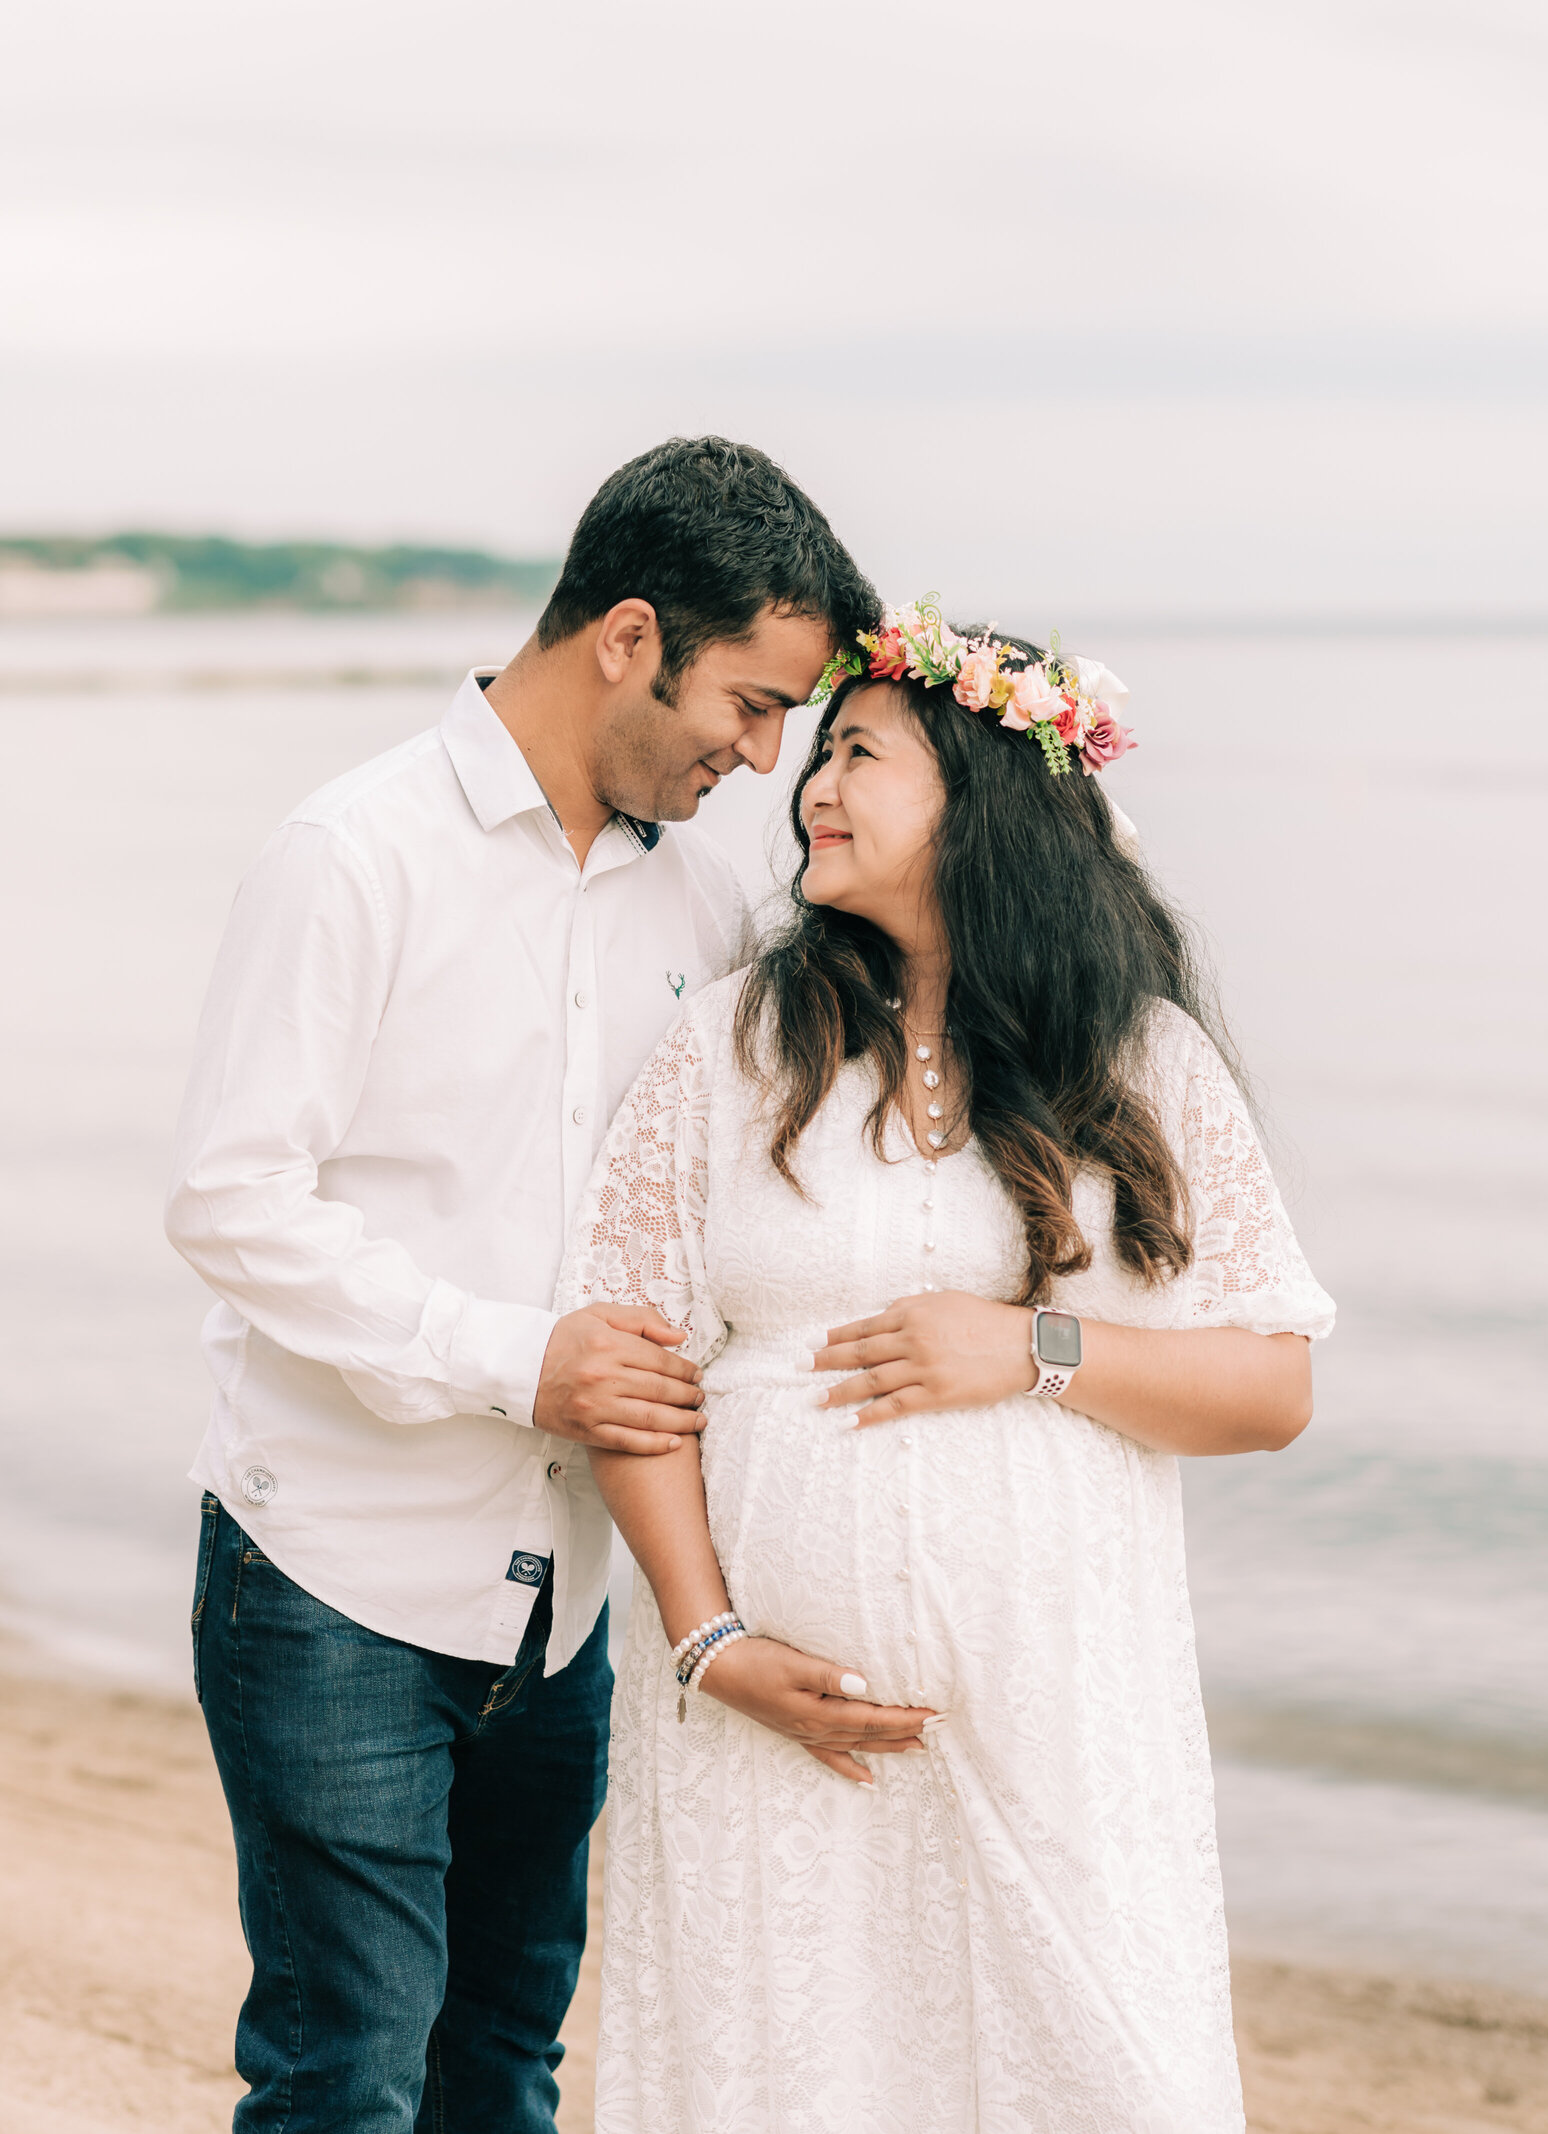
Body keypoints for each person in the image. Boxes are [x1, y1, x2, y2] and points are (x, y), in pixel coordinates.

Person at [164, 438, 919, 2133]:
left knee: (503, 2067)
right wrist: (522, 1360)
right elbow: (227, 1200)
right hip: (330, 1573)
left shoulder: (708, 893)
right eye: (750, 701)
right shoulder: (350, 854)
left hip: (563, 1603)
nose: (763, 756)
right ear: (630, 636)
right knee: (345, 2076)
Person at [556, 599, 1336, 2133]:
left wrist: (1031, 1345)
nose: (814, 786)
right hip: (769, 1734)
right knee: (782, 2074)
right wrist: (709, 1641)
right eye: (818, 751)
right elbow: (630, 1364)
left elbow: (1271, 1385)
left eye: (862, 753)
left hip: (1055, 1721)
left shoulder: (1140, 1062)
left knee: (1102, 2077)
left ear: (985, 812)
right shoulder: (731, 1047)